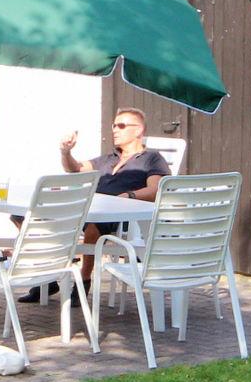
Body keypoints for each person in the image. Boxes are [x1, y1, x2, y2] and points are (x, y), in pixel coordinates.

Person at [55, 107, 171, 286]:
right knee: (32, 215)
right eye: (114, 125)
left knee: (94, 223)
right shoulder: (109, 158)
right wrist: (66, 152)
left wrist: (127, 196)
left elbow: (157, 189)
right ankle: (50, 275)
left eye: (121, 125)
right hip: (91, 206)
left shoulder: (151, 158)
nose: (115, 129)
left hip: (120, 213)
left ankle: (84, 280)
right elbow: (75, 168)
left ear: (139, 130)